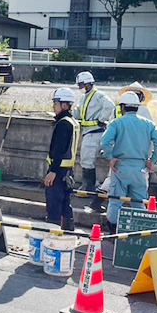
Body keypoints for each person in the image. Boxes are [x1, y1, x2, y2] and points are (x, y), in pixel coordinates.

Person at [99, 92, 157, 235]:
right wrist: (152, 160)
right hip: (141, 169)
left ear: (122, 107)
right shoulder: (148, 124)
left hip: (120, 167)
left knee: (116, 201)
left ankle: (113, 232)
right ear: (137, 107)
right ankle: (137, 234)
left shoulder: (116, 123)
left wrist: (110, 157)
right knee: (138, 203)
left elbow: (105, 142)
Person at [72, 71, 114, 212]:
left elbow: (110, 105)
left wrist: (101, 119)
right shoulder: (86, 97)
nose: (80, 87)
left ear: (88, 83)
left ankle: (88, 187)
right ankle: (89, 185)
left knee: (87, 159)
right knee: (86, 159)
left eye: (82, 85)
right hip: (88, 132)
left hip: (95, 132)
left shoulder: (98, 96)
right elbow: (78, 112)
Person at [44, 87, 79, 231]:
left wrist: (53, 170)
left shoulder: (63, 123)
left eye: (56, 103)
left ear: (64, 105)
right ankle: (68, 233)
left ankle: (53, 234)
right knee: (65, 204)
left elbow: (59, 149)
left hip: (58, 172)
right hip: (67, 172)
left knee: (54, 204)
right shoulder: (73, 122)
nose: (54, 106)